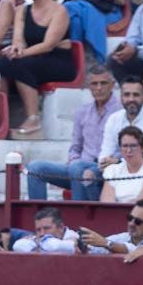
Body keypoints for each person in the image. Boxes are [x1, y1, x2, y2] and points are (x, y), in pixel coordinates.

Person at [27, 64, 119, 201]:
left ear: (112, 85)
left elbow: (126, 146)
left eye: (103, 83)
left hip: (106, 168)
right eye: (94, 84)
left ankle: (79, 219)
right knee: (35, 168)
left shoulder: (121, 111)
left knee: (78, 167)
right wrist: (74, 159)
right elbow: (75, 147)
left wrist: (114, 160)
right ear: (89, 86)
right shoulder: (82, 112)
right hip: (79, 166)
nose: (99, 88)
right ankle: (41, 217)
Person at [0, 0, 72, 136]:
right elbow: (18, 38)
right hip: (33, 57)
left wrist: (21, 54)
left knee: (20, 65)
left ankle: (33, 119)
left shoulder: (59, 11)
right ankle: (0, 116)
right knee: (2, 62)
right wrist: (15, 48)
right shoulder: (23, 10)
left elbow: (48, 45)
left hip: (58, 59)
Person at [98, 76, 143, 165]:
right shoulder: (113, 119)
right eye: (127, 95)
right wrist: (104, 162)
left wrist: (118, 162)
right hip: (119, 171)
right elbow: (106, 152)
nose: (131, 99)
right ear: (120, 97)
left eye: (136, 95)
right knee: (80, 168)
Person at [76, 199, 143, 255]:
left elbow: (138, 251)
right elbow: (97, 248)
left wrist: (106, 243)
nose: (131, 224)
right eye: (130, 218)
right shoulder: (123, 237)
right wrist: (82, 244)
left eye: (138, 221)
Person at [100, 125, 143, 203]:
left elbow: (141, 201)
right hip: (116, 212)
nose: (128, 150)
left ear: (142, 147)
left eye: (133, 146)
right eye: (125, 146)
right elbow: (107, 202)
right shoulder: (112, 171)